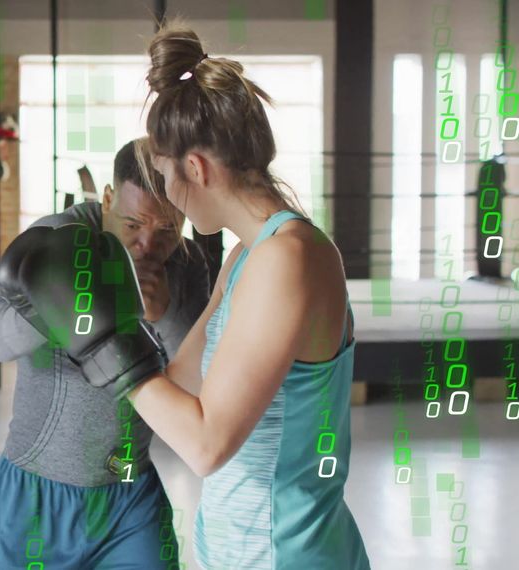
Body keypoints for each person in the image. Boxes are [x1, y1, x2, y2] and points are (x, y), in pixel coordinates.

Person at [27, 19, 371, 569]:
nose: (168, 197)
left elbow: (206, 445)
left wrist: (97, 339)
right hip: (230, 548)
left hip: (284, 554)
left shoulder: (289, 258)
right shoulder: (246, 256)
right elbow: (176, 385)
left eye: (164, 175)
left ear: (195, 167)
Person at [0, 138, 211, 568]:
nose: (148, 246)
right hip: (37, 492)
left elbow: (201, 383)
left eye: (167, 230)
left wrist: (164, 313)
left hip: (130, 495)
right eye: (133, 225)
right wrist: (50, 306)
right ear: (109, 199)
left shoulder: (186, 266)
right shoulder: (56, 240)